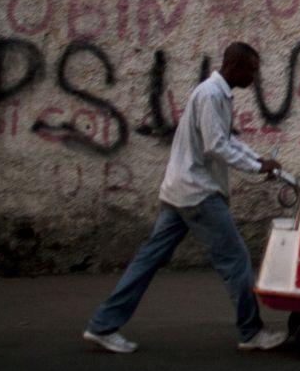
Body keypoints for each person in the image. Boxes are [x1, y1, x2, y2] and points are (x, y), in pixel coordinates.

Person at [83, 42, 287, 353]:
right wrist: (257, 167)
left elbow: (226, 138)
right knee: (236, 260)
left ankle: (102, 325)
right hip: (198, 194)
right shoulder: (211, 95)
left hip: (180, 190)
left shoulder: (216, 93)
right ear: (235, 66)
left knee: (149, 258)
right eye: (252, 71)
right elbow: (216, 146)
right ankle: (251, 331)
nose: (255, 78)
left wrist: (259, 161)